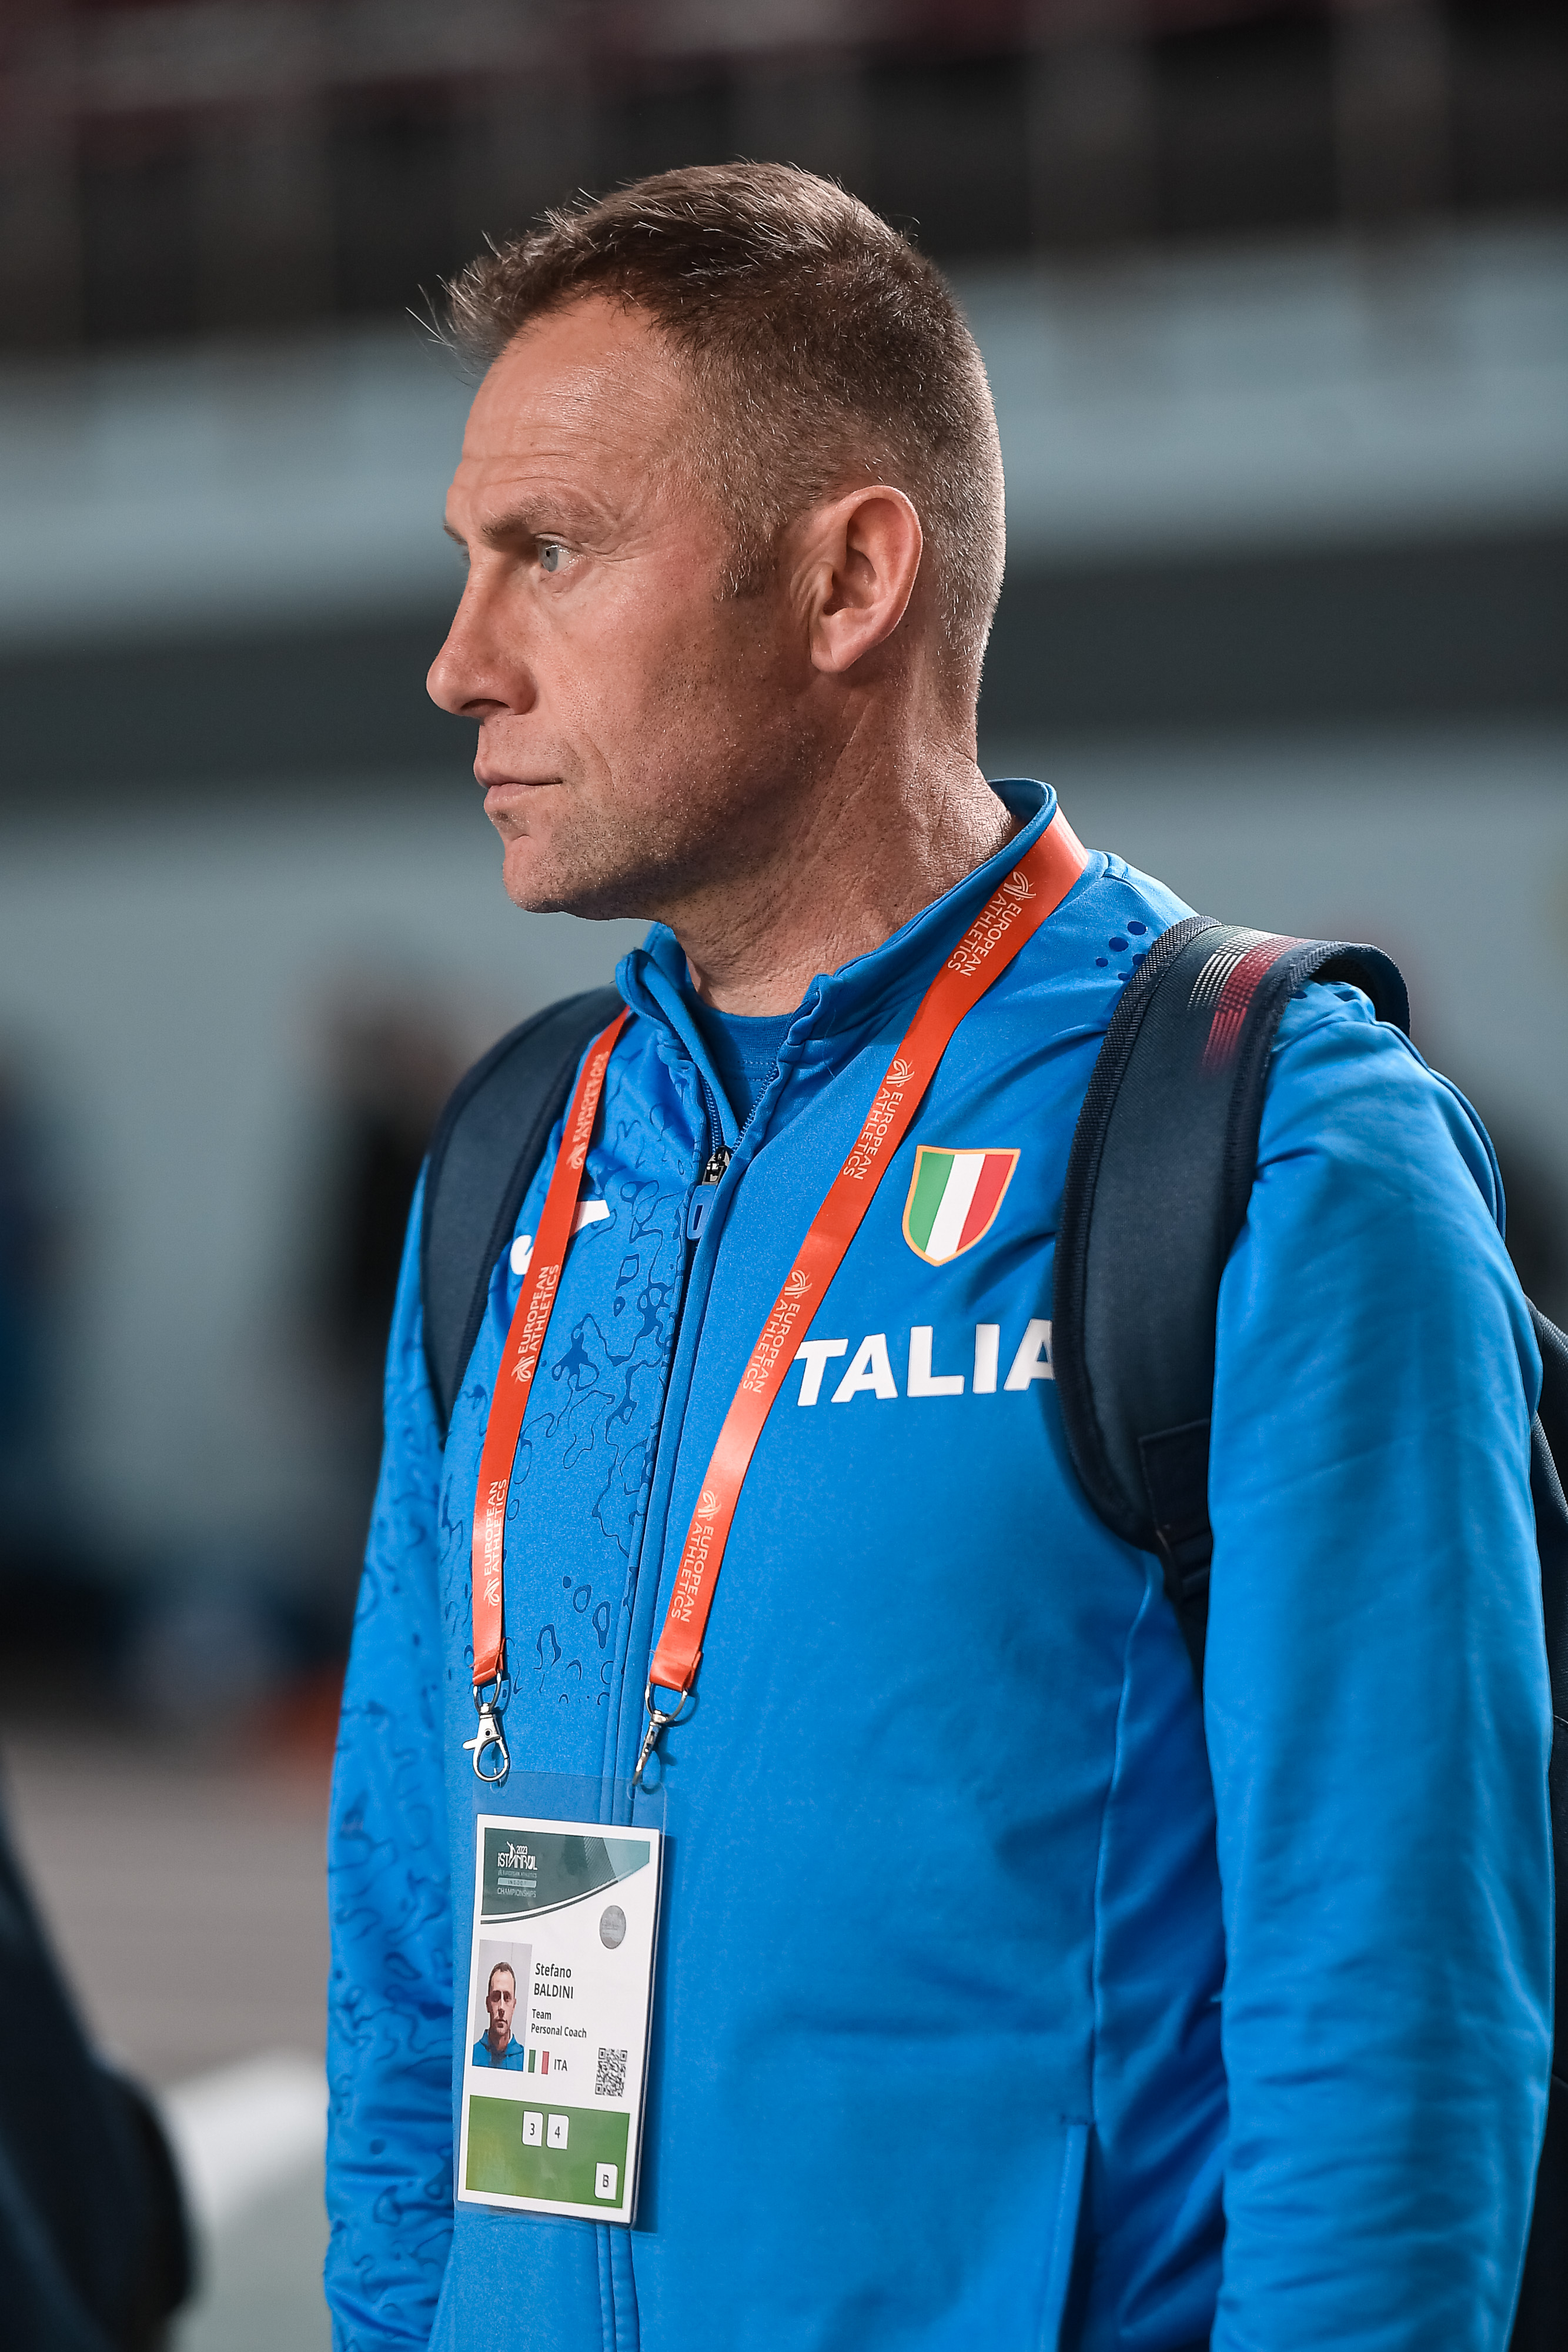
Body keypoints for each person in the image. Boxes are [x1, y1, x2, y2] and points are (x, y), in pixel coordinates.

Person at [325, 164, 1551, 2351]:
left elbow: (1393, 2048)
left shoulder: (1271, 1153)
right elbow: (413, 1964)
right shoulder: (517, 1164)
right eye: (466, 561)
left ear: (848, 579)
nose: (460, 662)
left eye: (553, 551)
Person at [470, 1962, 526, 2072]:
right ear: (488, 2004)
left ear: (514, 2006)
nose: (501, 2007)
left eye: (507, 1998)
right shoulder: (471, 2056)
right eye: (496, 1997)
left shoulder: (525, 2061)